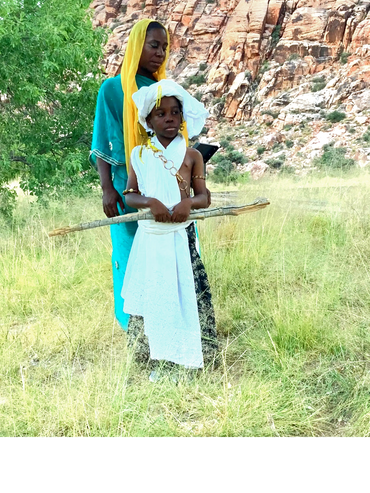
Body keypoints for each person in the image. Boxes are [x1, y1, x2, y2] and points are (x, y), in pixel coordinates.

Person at [121, 79, 218, 376]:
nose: (170, 119)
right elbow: (130, 195)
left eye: (175, 112)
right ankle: (156, 357)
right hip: (150, 239)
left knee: (186, 290)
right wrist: (151, 202)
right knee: (154, 293)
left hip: (180, 236)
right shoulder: (139, 155)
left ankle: (191, 354)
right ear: (148, 120)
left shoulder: (192, 156)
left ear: (183, 117)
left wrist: (188, 204)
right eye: (161, 114)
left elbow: (204, 197)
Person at [90, 19, 171, 330]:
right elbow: (103, 140)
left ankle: (170, 326)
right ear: (137, 46)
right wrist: (107, 188)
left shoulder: (165, 90)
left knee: (169, 259)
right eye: (154, 45)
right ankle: (138, 333)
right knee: (132, 258)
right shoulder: (113, 89)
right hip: (128, 190)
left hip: (167, 189)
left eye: (165, 47)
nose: (160, 53)